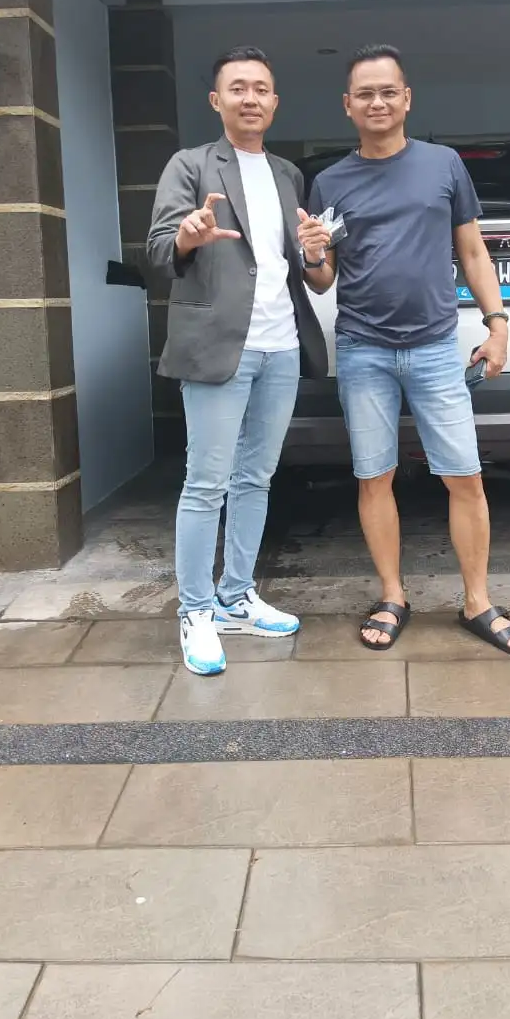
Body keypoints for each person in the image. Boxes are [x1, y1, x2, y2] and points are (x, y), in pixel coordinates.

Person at [297, 44, 510, 657]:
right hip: (363, 350)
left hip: (434, 348)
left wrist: (498, 325)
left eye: (387, 92)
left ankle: (477, 602)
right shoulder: (330, 182)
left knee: (465, 478)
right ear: (347, 105)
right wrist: (313, 253)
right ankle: (392, 595)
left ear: (406, 99)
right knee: (374, 478)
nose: (377, 102)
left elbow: (473, 252)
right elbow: (323, 280)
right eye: (365, 94)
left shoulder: (443, 165)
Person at [148, 46, 327, 676]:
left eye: (261, 89)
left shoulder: (287, 174)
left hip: (281, 345)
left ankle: (236, 596)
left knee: (257, 477)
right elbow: (157, 249)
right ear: (216, 100)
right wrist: (187, 236)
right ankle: (195, 610)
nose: (250, 98)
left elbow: (303, 268)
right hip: (218, 345)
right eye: (238, 88)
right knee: (206, 483)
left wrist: (315, 253)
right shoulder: (190, 164)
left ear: (275, 102)